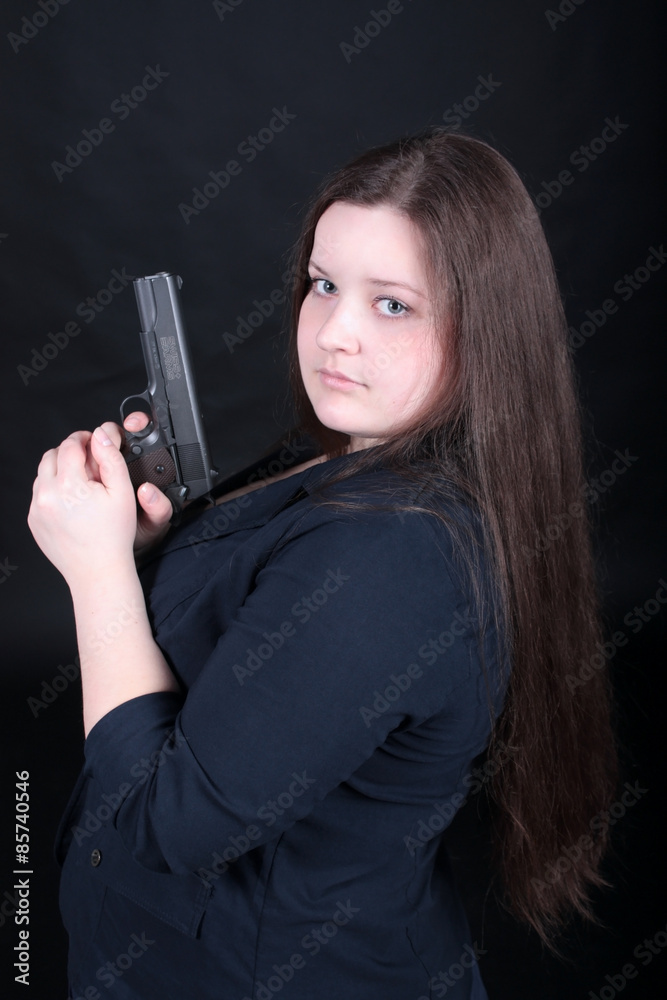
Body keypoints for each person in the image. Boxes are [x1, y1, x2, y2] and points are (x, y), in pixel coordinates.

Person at [28, 128, 617, 1000]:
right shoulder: (346, 455)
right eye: (324, 284)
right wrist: (153, 554)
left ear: (484, 330)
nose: (334, 333)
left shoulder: (396, 553)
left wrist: (95, 571)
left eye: (393, 305)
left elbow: (166, 829)